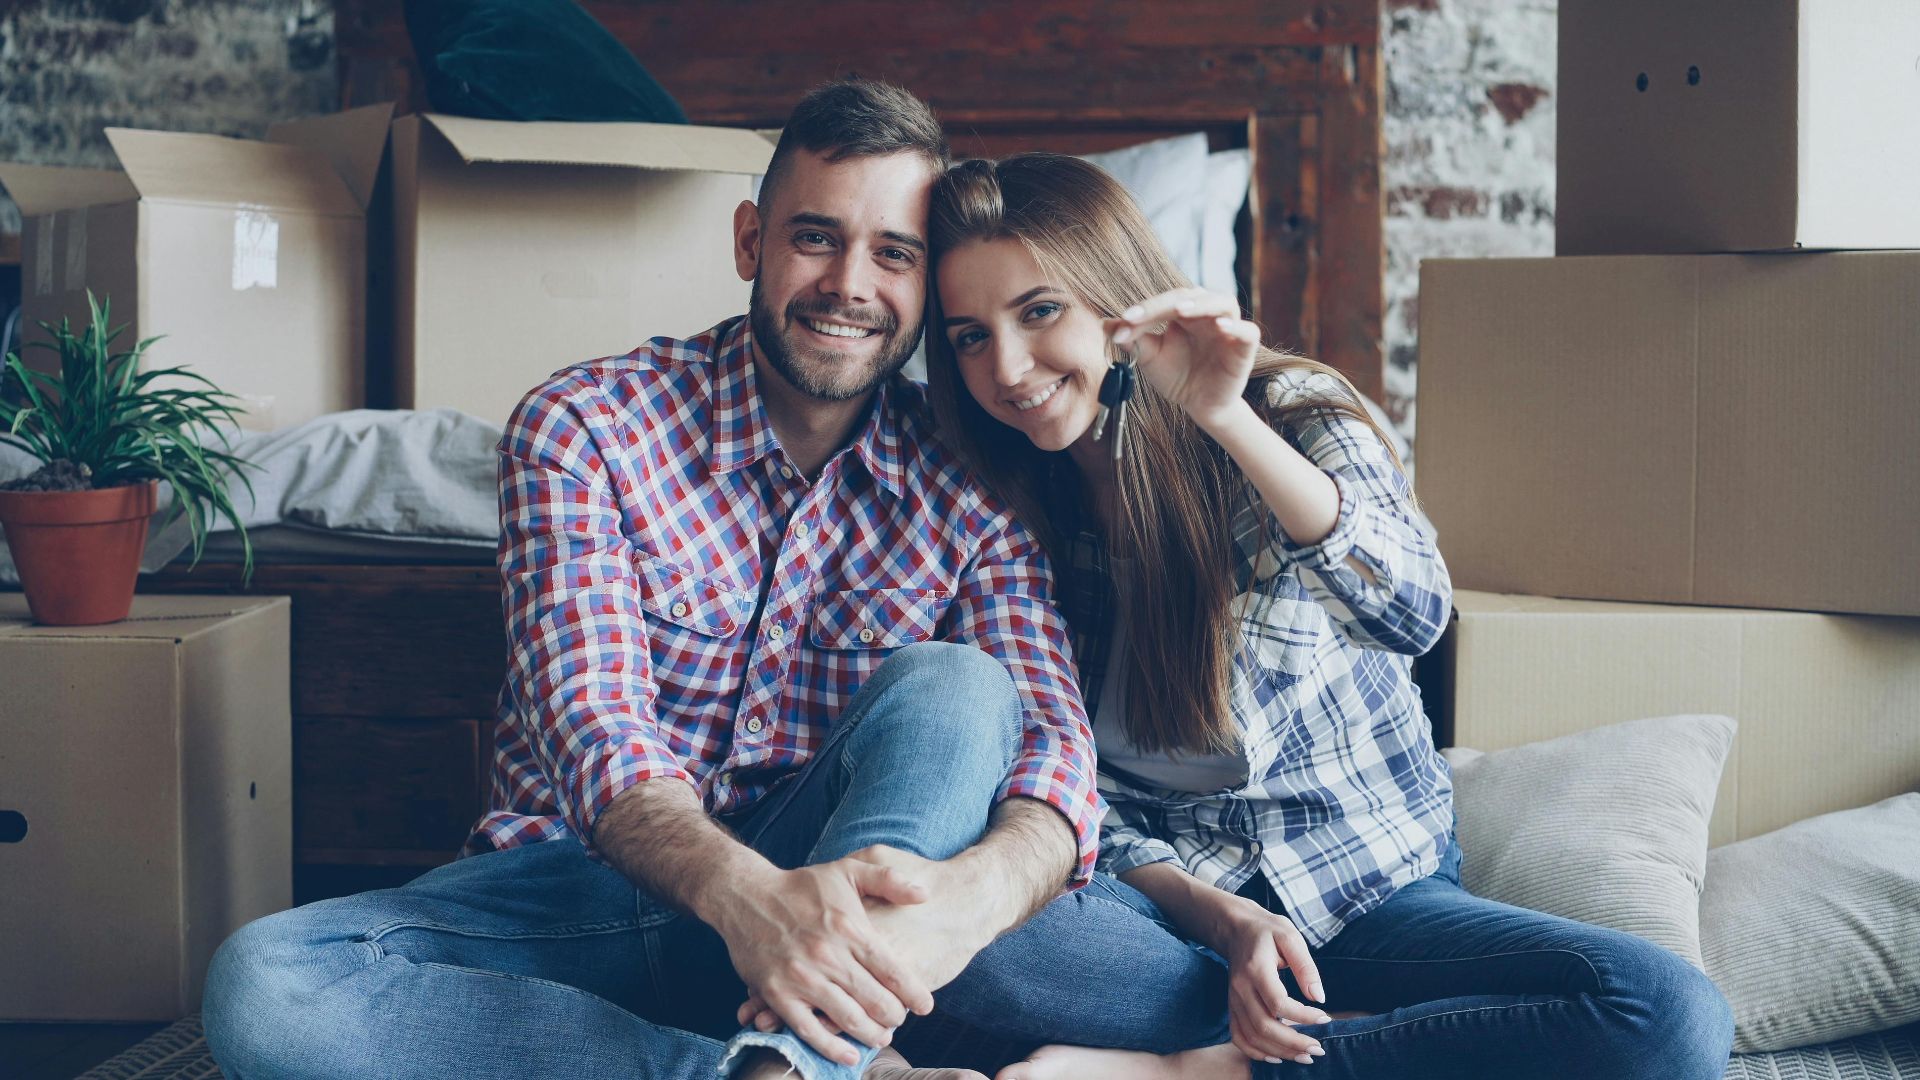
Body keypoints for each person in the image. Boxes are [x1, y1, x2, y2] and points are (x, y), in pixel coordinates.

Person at [197, 82, 1238, 1080]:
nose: (849, 285)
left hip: (865, 898)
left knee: (962, 690)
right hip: (581, 897)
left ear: (928, 282)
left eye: (895, 253)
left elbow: (1051, 743)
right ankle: (807, 1066)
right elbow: (594, 730)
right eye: (815, 236)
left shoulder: (977, 472)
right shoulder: (587, 425)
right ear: (752, 240)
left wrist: (965, 899)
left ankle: (797, 1056)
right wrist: (754, 905)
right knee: (264, 990)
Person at [919, 153, 1737, 1080]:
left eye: (1037, 312)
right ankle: (1350, 1037)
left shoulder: (1292, 410)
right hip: (1170, 921)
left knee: (1666, 1016)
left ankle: (1199, 1069)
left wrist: (1224, 419)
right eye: (969, 337)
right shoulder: (1006, 505)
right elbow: (1071, 790)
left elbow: (1415, 616)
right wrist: (1222, 921)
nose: (1009, 367)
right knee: (954, 945)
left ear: (1118, 301)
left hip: (1365, 893)